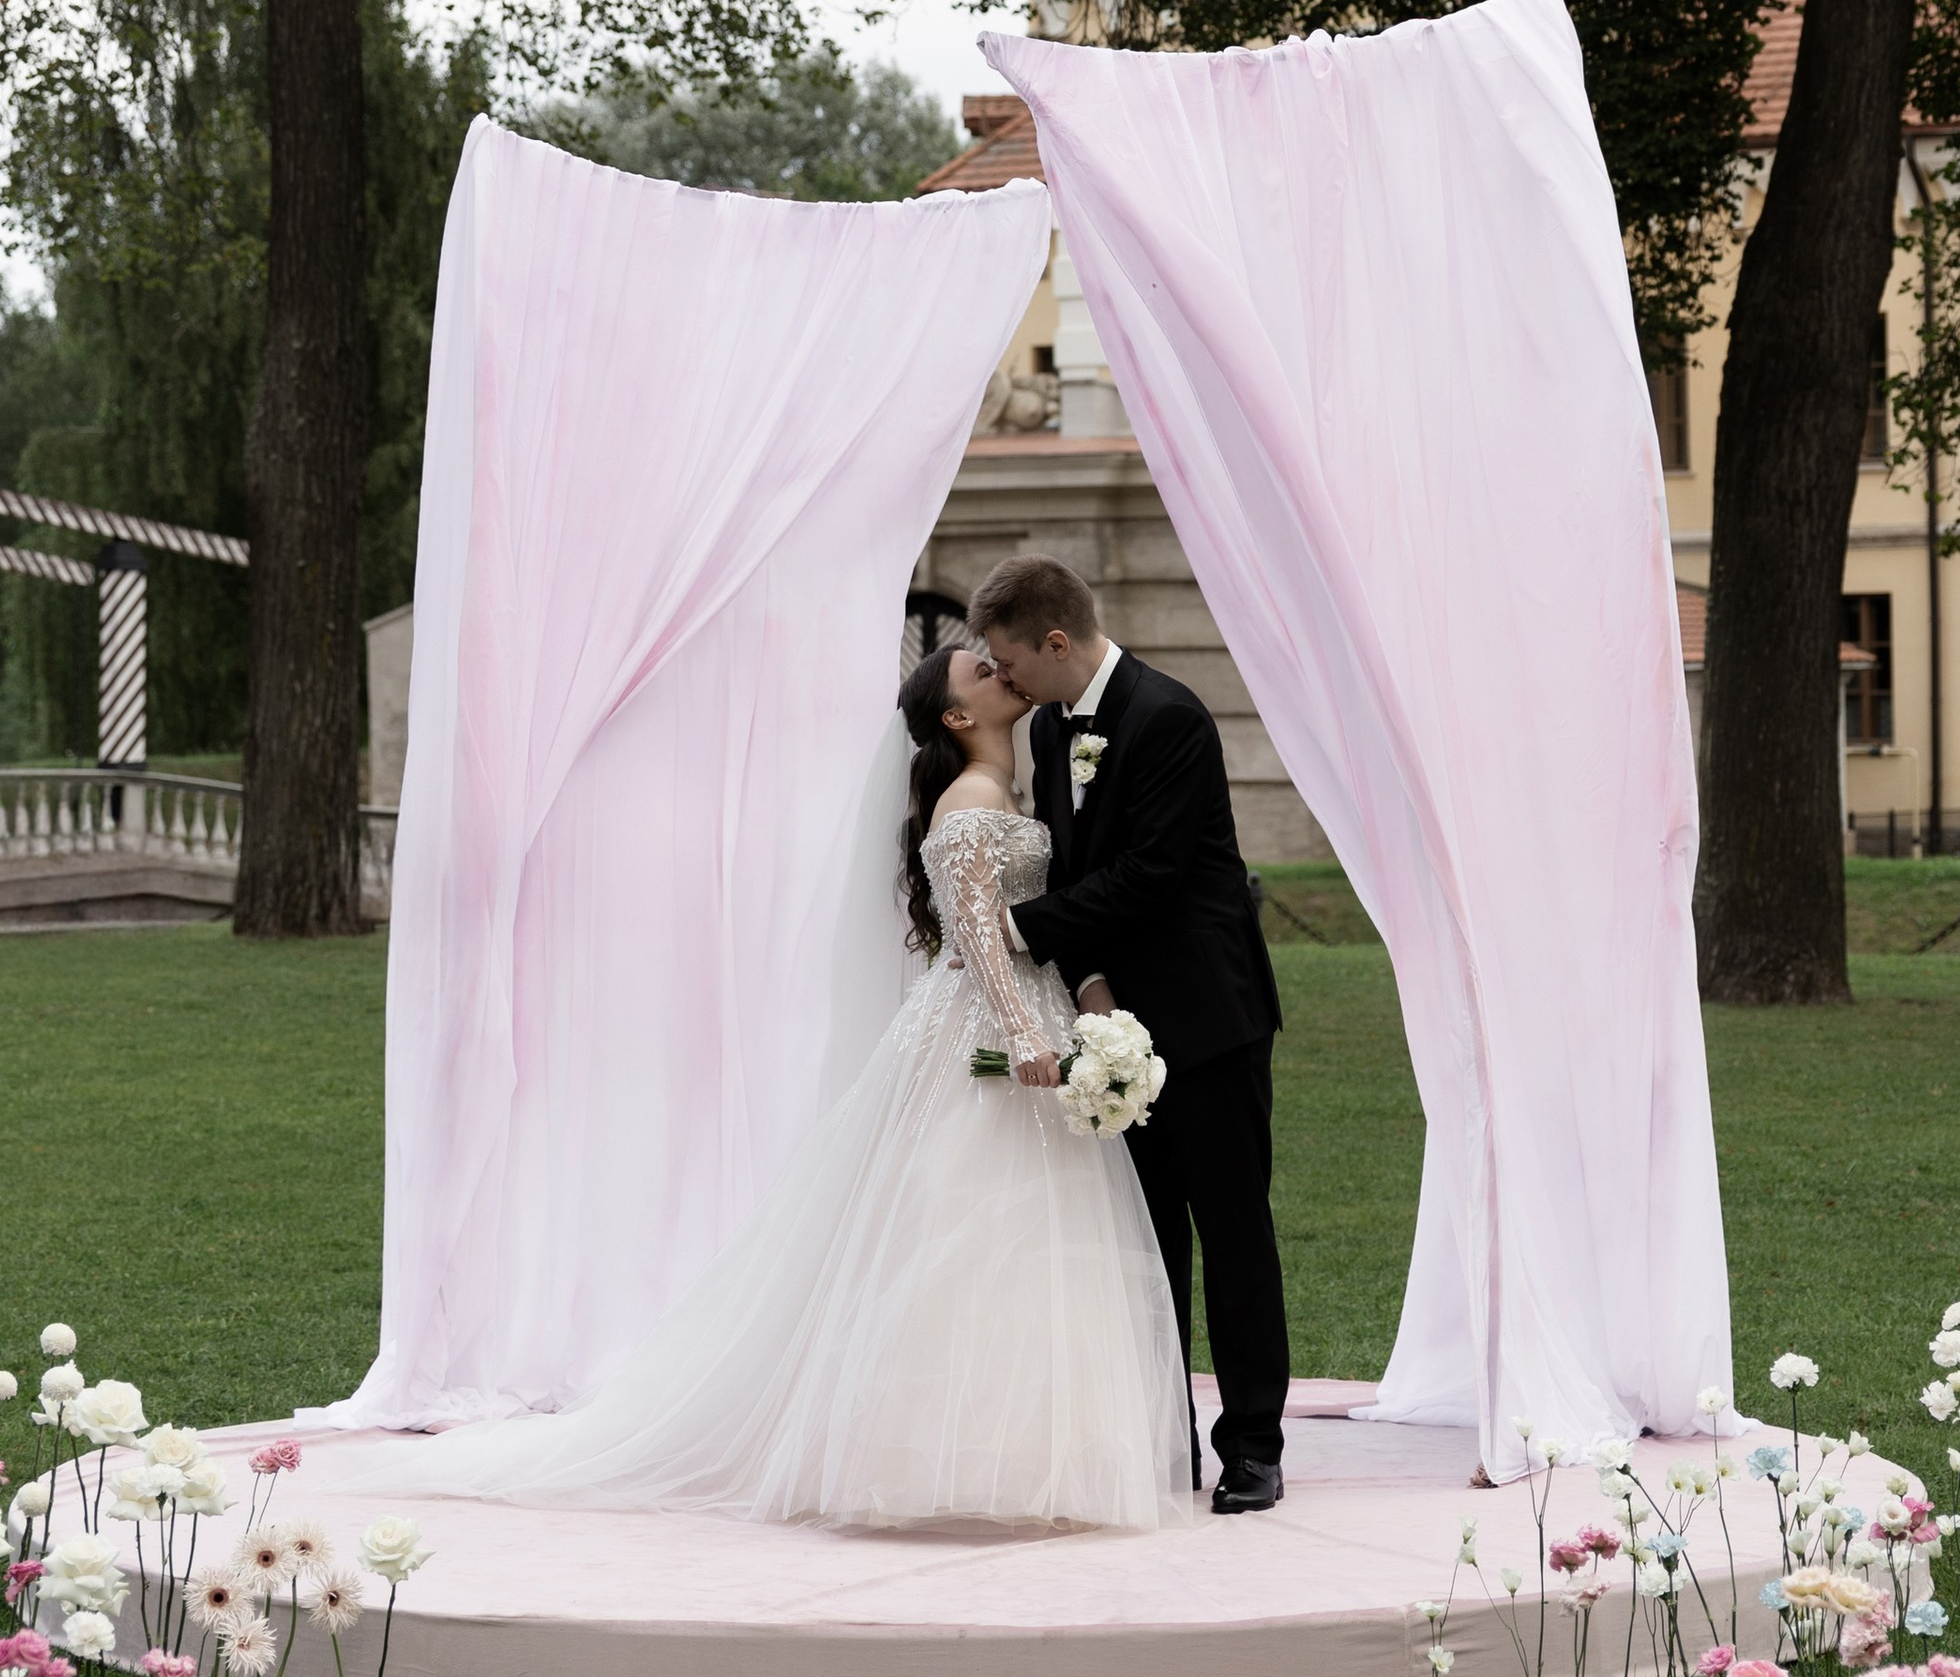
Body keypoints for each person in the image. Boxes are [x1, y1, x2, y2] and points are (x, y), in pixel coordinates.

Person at [331, 640, 1192, 1533]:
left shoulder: (1018, 781)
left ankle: (1015, 1451)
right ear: (956, 716)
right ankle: (928, 1451)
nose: (1000, 670)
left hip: (1031, 1010)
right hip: (986, 1024)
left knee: (1021, 1237)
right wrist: (1021, 1033)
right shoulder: (972, 799)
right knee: (964, 1222)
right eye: (980, 670)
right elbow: (975, 932)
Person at [970, 554, 1292, 1514]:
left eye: (1011, 660)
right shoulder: (1049, 727)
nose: (1006, 681)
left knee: (1232, 1232)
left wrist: (1019, 933)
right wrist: (1091, 984)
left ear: (1055, 641)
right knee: (1143, 1246)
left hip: (1208, 1017)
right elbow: (1071, 867)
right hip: (1113, 1025)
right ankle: (1161, 1439)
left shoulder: (1171, 717)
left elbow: (1151, 874)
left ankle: (1253, 1448)